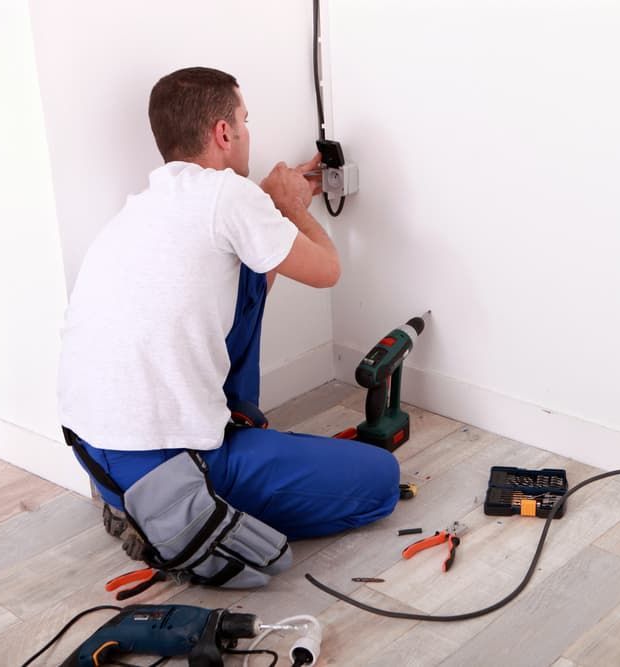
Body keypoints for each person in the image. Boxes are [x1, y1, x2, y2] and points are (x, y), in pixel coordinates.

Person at [56, 67, 399, 586]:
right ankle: (180, 517)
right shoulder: (229, 197)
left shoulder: (144, 207)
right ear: (222, 133)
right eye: (244, 120)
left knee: (247, 279)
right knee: (380, 480)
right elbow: (328, 270)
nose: (246, 131)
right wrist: (288, 209)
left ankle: (141, 502)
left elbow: (247, 264)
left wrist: (271, 205)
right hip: (174, 467)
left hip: (97, 458)